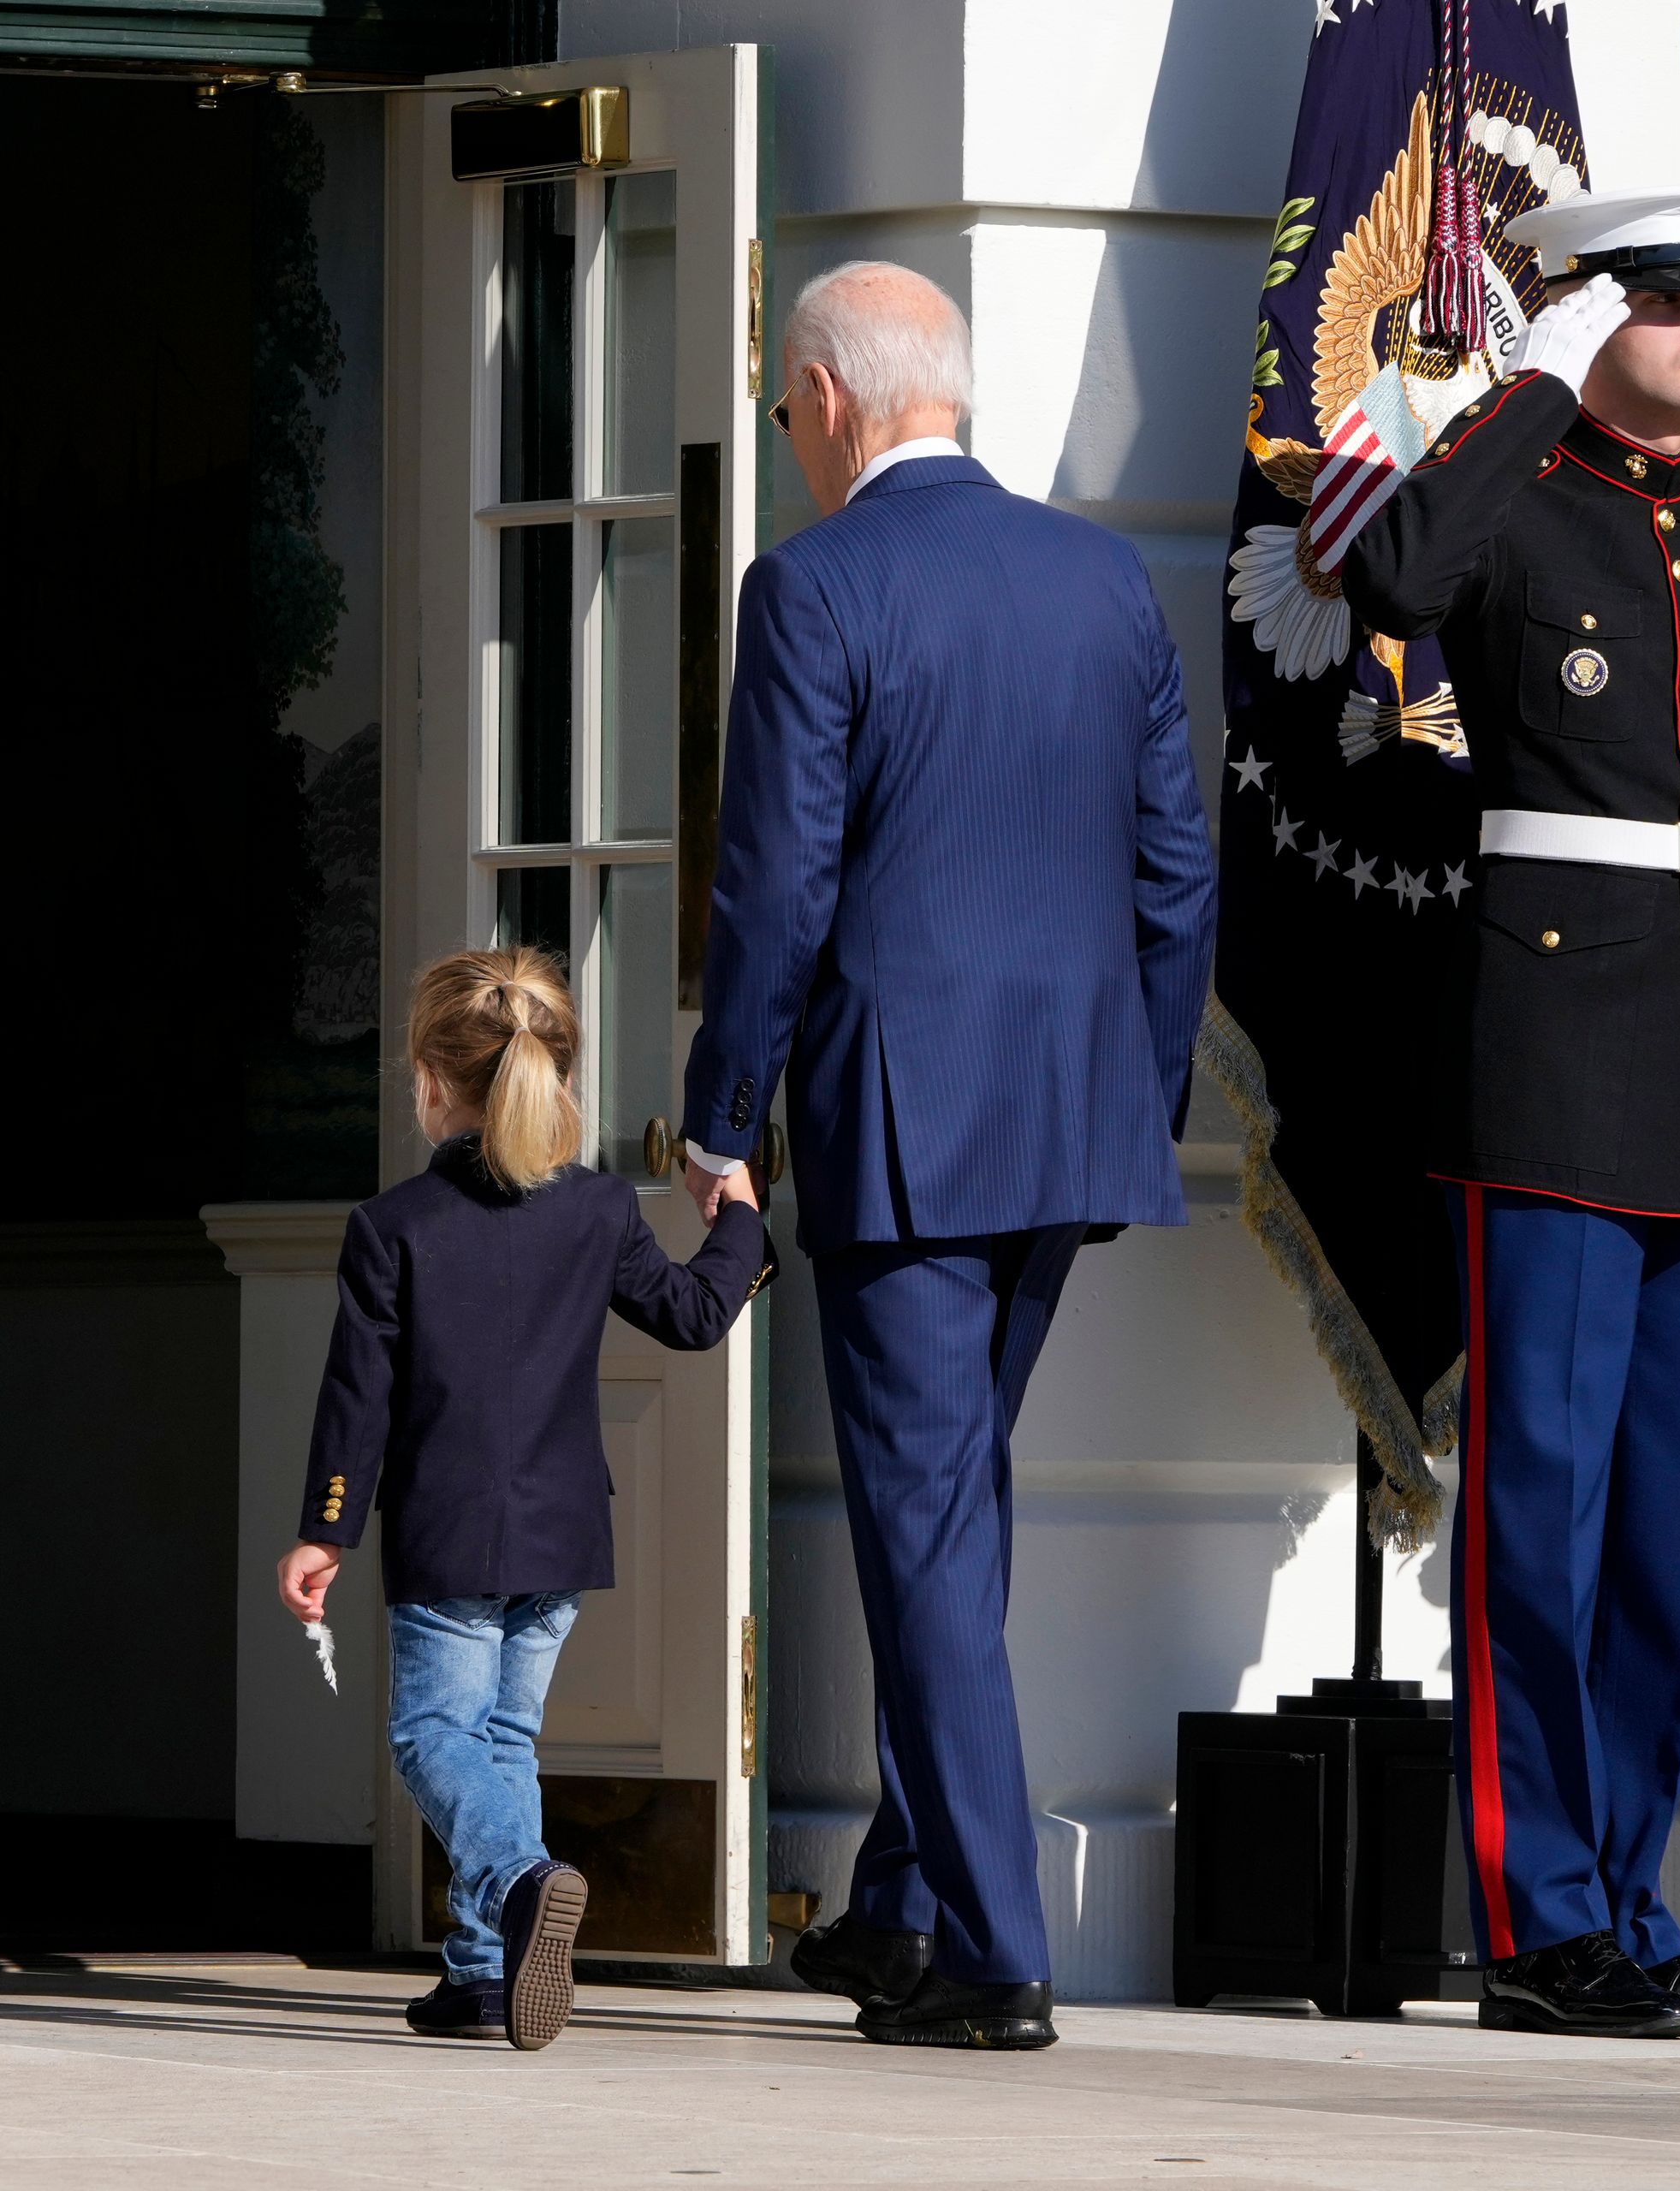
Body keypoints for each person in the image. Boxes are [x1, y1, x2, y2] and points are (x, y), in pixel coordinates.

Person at [680, 264, 1219, 2050]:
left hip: (903, 1123)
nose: (788, 439)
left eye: (781, 409)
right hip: (1068, 1121)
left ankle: (997, 1946)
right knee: (954, 1503)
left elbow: (778, 886)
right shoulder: (1099, 577)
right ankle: (906, 1902)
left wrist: (718, 1114)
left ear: (829, 397)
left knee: (924, 1527)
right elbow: (1174, 873)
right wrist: (1131, 1102)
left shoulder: (815, 582)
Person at [1340, 188, 1680, 2041]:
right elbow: (1385, 585)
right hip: (1554, 1073)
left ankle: (1630, 1896)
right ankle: (1540, 1913)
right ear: (1579, 315)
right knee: (1537, 1521)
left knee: (1668, 1531)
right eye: (1662, 295)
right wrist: (1525, 392)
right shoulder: (1512, 500)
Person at [278, 949, 775, 2051]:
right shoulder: (598, 1208)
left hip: (450, 1533)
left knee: (430, 1736)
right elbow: (696, 1316)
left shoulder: (393, 1224)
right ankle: (483, 1977)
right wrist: (741, 1215)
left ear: (430, 1078)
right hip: (562, 1531)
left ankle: (519, 1879)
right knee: (503, 1739)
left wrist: (324, 1529)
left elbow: (355, 1402)